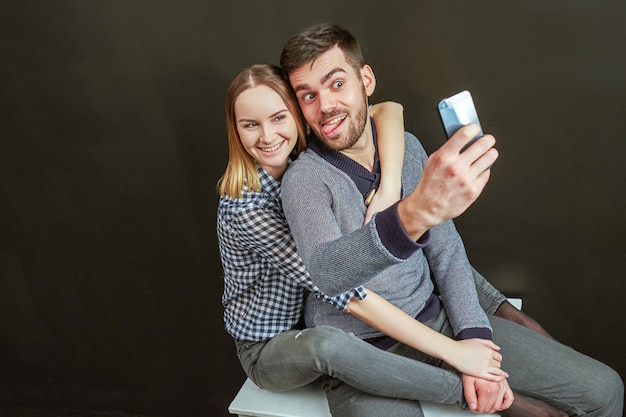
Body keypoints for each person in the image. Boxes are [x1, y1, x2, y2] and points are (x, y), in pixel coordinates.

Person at [279, 23, 624, 417]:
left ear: (366, 79)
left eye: (336, 84)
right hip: (364, 355)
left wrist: (473, 339)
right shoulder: (304, 179)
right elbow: (328, 272)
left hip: (436, 322)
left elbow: (447, 253)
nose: (324, 106)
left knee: (603, 390)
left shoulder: (406, 148)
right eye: (308, 95)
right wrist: (412, 215)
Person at [217, 63, 512, 408]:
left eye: (278, 118)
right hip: (269, 346)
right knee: (328, 345)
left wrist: (388, 190)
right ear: (235, 130)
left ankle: (512, 323)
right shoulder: (247, 210)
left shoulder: (304, 156)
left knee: (438, 253)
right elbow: (347, 293)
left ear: (296, 115)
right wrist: (459, 356)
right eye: (250, 125)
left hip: (315, 309)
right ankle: (471, 393)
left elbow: (388, 110)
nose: (267, 136)